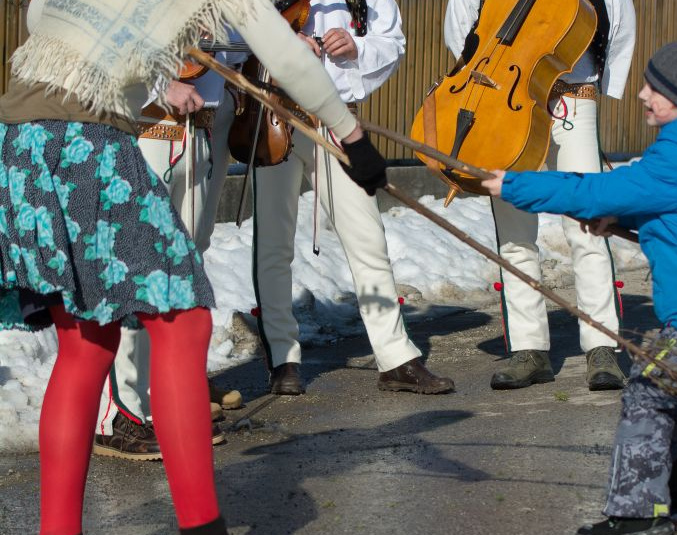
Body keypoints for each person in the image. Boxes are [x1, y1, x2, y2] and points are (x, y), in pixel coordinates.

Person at [0, 0, 387, 533]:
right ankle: (204, 526)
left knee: (86, 343)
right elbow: (288, 59)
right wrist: (351, 135)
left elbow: (39, 14)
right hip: (84, 143)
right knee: (184, 319)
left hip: (20, 143)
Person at [480, 39, 677, 535]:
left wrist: (515, 186)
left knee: (646, 389)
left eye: (653, 89)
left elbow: (595, 189)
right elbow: (670, 204)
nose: (640, 94)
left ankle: (638, 515)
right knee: (661, 382)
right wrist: (618, 216)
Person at [252, 0, 455, 396]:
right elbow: (236, 28)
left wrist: (357, 47)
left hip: (338, 120)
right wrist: (281, 42)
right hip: (275, 116)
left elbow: (393, 43)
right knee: (274, 245)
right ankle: (282, 358)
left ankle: (396, 358)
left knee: (368, 238)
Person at [444, 0, 636, 391]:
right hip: (506, 99)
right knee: (514, 231)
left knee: (587, 224)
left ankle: (602, 346)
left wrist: (603, 81)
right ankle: (528, 348)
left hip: (573, 96)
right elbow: (462, 25)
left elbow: (619, 19)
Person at [94, 50, 247, 461]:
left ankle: (165, 403)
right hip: (147, 125)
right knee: (135, 272)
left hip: (200, 130)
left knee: (181, 276)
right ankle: (119, 416)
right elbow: (111, 44)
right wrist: (161, 84)